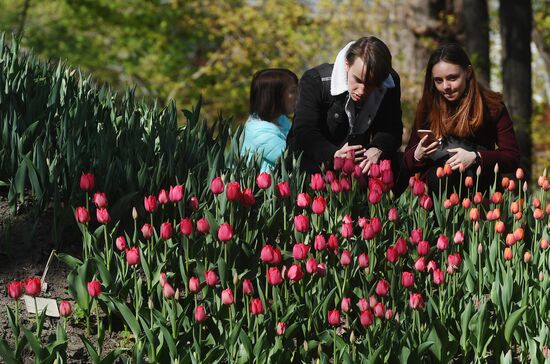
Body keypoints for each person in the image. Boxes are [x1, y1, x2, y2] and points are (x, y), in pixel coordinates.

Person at [404, 43, 520, 194]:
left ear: (468, 72)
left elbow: (511, 157)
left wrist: (476, 157)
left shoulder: (492, 106)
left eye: (452, 78)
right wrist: (417, 155)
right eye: (438, 80)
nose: (445, 86)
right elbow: (407, 160)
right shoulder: (428, 107)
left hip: (479, 190)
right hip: (438, 191)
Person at [286, 36, 403, 174]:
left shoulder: (390, 83)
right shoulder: (316, 80)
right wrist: (334, 154)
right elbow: (304, 131)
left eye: (371, 85)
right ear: (346, 64)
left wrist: (378, 148)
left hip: (358, 172)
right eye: (358, 80)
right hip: (310, 169)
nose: (362, 91)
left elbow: (392, 127)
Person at [241, 68, 298, 172]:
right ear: (275, 96)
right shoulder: (259, 133)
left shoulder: (281, 120)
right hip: (264, 188)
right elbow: (295, 160)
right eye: (293, 91)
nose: (297, 96)